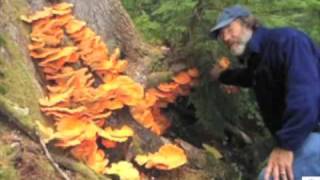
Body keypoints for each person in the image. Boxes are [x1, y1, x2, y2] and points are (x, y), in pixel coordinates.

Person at [209, 5, 320, 180]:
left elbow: (306, 96)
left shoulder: (288, 41)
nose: (226, 37)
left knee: (268, 177)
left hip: (312, 136)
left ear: (247, 23)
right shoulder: (259, 57)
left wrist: (286, 146)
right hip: (303, 136)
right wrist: (222, 76)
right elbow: (251, 76)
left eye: (229, 29)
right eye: (222, 35)